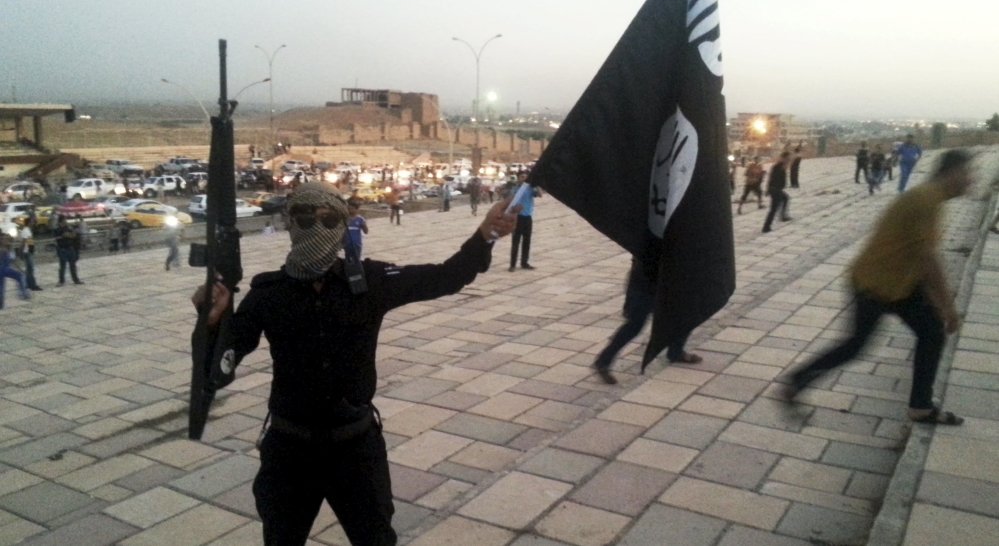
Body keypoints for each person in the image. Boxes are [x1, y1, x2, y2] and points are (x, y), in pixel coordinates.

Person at [191, 182, 519, 546]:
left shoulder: (369, 282)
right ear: (290, 223)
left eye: (327, 218)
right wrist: (212, 324)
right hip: (290, 450)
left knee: (375, 539)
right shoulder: (269, 294)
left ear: (341, 223)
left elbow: (446, 276)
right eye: (303, 217)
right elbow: (219, 369)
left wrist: (485, 234)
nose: (314, 227)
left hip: (355, 446)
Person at [782, 149, 975, 425]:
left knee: (930, 333)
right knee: (857, 345)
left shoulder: (930, 198)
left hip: (897, 283)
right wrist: (948, 307)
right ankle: (795, 382)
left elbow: (920, 255)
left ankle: (921, 406)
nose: (971, 180)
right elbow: (928, 258)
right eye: (968, 174)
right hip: (875, 284)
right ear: (952, 173)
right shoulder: (927, 199)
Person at [592, 256, 702, 384]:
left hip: (665, 279)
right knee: (635, 325)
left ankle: (676, 351)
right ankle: (604, 360)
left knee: (684, 314)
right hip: (647, 281)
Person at [509, 171, 541, 272]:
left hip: (527, 218)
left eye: (526, 177)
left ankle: (524, 262)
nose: (524, 179)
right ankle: (512, 264)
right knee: (515, 241)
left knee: (527, 241)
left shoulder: (530, 189)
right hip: (517, 218)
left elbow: (540, 194)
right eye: (522, 177)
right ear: (518, 178)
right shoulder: (515, 189)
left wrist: (537, 185)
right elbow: (510, 201)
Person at [761, 152, 792, 233]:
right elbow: (772, 178)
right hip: (776, 190)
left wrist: (768, 189)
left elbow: (771, 178)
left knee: (785, 198)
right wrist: (769, 189)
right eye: (787, 159)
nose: (788, 160)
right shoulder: (780, 166)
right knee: (773, 209)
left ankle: (783, 216)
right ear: (783, 158)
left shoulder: (778, 166)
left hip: (776, 190)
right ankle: (766, 227)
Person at [0, 233, 30, 310]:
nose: (7, 241)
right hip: (2, 269)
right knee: (1, 288)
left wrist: (20, 269)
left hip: (5, 269)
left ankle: (23, 294)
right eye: (5, 239)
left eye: (8, 239)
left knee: (20, 276)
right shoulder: (3, 249)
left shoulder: (9, 248)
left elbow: (13, 261)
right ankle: (1, 304)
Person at [53, 216, 83, 286]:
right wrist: (72, 232)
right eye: (64, 220)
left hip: (70, 248)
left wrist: (74, 228)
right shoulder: (58, 229)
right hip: (62, 249)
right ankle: (61, 281)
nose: (66, 222)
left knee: (72, 265)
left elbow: (74, 236)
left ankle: (75, 279)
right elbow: (68, 235)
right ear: (61, 221)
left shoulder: (67, 228)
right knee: (62, 266)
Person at [18, 219, 42, 291]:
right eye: (32, 221)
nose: (33, 223)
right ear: (28, 222)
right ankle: (33, 285)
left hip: (28, 251)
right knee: (30, 269)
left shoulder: (27, 230)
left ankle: (28, 284)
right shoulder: (26, 231)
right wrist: (21, 251)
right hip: (27, 251)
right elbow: (24, 242)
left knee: (29, 269)